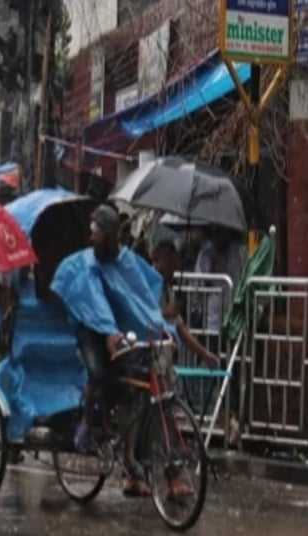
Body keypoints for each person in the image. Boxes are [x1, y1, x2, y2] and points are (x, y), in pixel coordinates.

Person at [51, 204, 180, 497]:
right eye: (92, 233)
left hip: (122, 333)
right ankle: (85, 422)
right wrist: (108, 330)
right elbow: (93, 301)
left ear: (111, 236)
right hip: (92, 330)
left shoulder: (127, 262)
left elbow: (143, 300)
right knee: (99, 374)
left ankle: (133, 463)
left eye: (98, 234)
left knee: (136, 393)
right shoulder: (86, 264)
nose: (93, 238)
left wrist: (162, 329)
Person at [150, 239, 219, 368]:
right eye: (171, 263)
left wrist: (204, 354)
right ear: (157, 260)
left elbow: (180, 328)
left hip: (164, 359)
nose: (174, 269)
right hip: (148, 355)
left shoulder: (168, 291)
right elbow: (141, 315)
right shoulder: (146, 285)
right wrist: (165, 312)